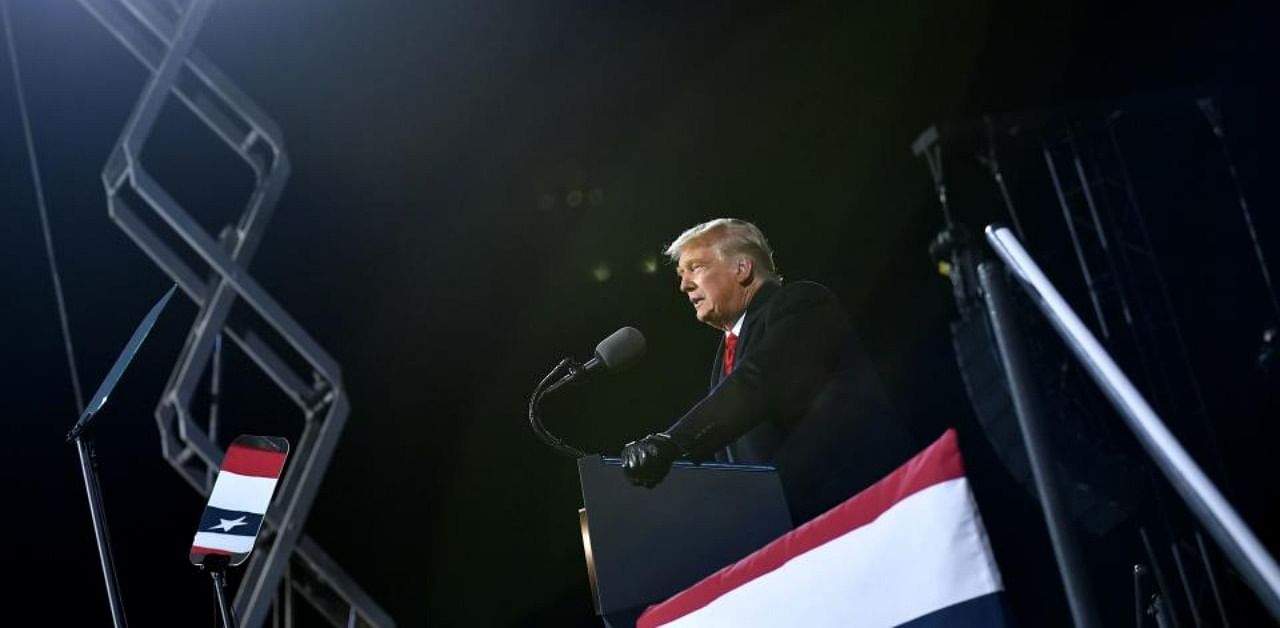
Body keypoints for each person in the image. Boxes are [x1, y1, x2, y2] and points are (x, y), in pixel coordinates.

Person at [620, 218, 915, 523]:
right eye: (682, 274)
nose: (684, 285)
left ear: (742, 269)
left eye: (696, 267)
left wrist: (671, 442)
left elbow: (758, 380)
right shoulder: (724, 354)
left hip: (865, 507)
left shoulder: (800, 303)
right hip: (787, 525)